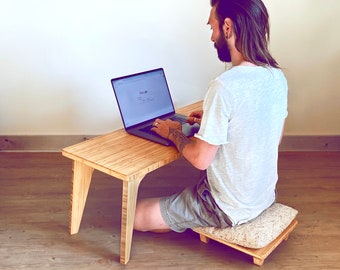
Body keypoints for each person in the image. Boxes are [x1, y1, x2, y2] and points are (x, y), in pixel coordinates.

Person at [134, 0, 288, 233]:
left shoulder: (225, 86)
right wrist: (217, 120)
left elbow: (200, 159)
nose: (211, 37)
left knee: (136, 216)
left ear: (227, 27)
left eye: (212, 28)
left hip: (226, 206)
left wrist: (173, 132)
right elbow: (271, 136)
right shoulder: (276, 77)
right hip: (263, 196)